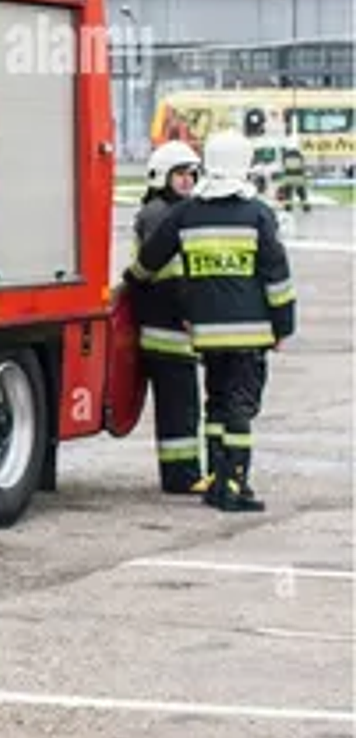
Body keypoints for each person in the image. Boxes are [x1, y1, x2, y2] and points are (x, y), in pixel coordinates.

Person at [127, 129, 297, 514]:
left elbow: (150, 260)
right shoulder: (258, 215)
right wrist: (283, 326)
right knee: (239, 408)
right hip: (250, 334)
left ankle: (219, 483)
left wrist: (129, 283)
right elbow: (277, 277)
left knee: (216, 406)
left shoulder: (186, 213)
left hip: (205, 336)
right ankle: (235, 486)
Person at [129, 139, 206, 495]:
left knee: (180, 406)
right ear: (162, 176)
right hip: (169, 330)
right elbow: (175, 277)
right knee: (180, 408)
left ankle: (183, 473)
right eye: (180, 175)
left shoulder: (159, 211)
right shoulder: (163, 215)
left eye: (192, 174)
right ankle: (182, 476)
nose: (188, 181)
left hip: (163, 327)